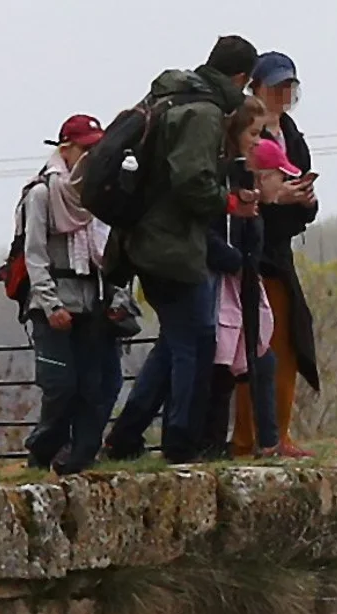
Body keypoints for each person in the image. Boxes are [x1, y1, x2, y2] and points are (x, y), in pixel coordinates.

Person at [105, 34, 260, 464]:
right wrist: (228, 201)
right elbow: (191, 181)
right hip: (170, 243)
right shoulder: (204, 112)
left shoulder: (170, 97)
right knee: (198, 340)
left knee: (176, 342)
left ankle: (127, 436)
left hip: (143, 239)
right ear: (241, 77)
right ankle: (181, 444)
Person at [18, 115, 123, 474]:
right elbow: (35, 255)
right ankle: (42, 450)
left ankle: (78, 459)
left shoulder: (99, 196)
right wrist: (49, 304)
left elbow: (110, 251)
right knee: (61, 387)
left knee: (96, 386)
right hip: (54, 306)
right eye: (86, 148)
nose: (91, 157)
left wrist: (116, 299)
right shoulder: (42, 194)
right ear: (66, 148)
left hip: (92, 303)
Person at [232, 50, 319, 459]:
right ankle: (248, 437)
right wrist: (275, 198)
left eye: (289, 88)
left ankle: (277, 432)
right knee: (253, 346)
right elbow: (242, 192)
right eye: (275, 87)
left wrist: (302, 200)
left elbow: (299, 193)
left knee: (286, 341)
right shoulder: (245, 132)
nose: (283, 96)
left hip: (279, 249)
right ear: (257, 87)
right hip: (251, 249)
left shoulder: (292, 135)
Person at [203, 102, 282, 458]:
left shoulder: (246, 197)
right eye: (252, 133)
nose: (256, 140)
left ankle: (262, 440)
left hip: (240, 288)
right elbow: (215, 232)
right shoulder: (224, 182)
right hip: (225, 289)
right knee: (222, 370)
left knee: (258, 362)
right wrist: (237, 259)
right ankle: (223, 441)